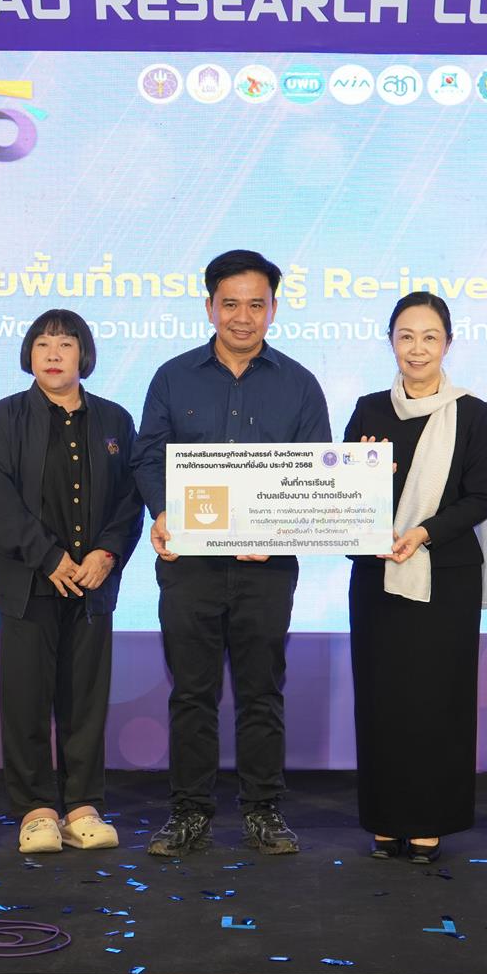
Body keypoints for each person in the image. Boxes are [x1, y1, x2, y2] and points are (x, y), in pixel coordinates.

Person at [133, 249, 332, 856]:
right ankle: (189, 813)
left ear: (273, 308)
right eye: (230, 304)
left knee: (260, 692)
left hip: (266, 569)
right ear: (209, 307)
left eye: (256, 304)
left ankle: (263, 811)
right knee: (191, 693)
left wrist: (278, 532)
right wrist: (163, 511)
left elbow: (317, 473)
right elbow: (148, 456)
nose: (242, 317)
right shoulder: (173, 377)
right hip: (189, 566)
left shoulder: (299, 384)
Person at [0, 309, 143, 853]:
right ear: (29, 354)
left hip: (93, 583)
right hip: (28, 582)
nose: (53, 354)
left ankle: (82, 806)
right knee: (26, 699)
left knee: (85, 700)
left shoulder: (114, 420)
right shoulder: (1, 419)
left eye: (66, 344)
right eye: (43, 343)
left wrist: (107, 553)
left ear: (83, 355)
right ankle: (36, 811)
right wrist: (49, 557)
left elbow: (130, 499)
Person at [344, 292, 487, 864]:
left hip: (445, 578)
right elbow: (340, 493)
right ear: (391, 341)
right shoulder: (367, 410)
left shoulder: (473, 413)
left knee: (439, 700)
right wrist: (365, 479)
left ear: (447, 344)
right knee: (382, 700)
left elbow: (480, 496)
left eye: (430, 337)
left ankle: (431, 820)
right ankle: (386, 821)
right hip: (378, 577)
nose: (417, 348)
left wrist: (425, 532)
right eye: (406, 336)